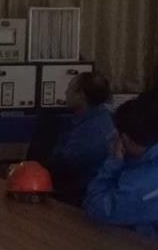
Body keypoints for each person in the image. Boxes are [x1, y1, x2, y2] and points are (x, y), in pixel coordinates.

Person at [83, 91, 158, 241]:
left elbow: (96, 209)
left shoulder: (148, 182)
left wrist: (113, 162)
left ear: (125, 140)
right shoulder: (156, 160)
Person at [44, 71, 115, 204]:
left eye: (70, 88)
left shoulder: (91, 129)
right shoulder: (100, 117)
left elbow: (64, 165)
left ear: (81, 96)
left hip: (81, 195)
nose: (66, 92)